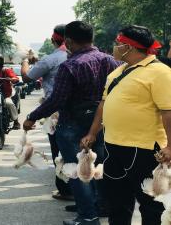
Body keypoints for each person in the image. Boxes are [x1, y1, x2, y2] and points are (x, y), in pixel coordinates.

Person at [23, 21, 119, 225]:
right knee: (99, 165)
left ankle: (87, 216)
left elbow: (57, 99)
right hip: (102, 122)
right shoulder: (110, 61)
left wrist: (32, 117)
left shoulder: (70, 66)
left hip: (73, 124)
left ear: (68, 41)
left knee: (76, 170)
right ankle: (98, 205)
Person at [81, 25, 171, 225]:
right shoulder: (118, 71)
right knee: (118, 202)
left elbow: (168, 111)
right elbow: (104, 104)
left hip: (145, 148)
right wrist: (92, 132)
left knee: (151, 204)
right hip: (113, 146)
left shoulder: (160, 72)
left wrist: (170, 146)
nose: (115, 47)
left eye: (118, 43)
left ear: (129, 47)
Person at [21, 24, 72, 201]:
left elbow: (27, 77)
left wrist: (25, 61)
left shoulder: (53, 58)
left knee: (60, 150)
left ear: (53, 40)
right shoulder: (91, 58)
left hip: (56, 110)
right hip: (85, 111)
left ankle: (66, 189)